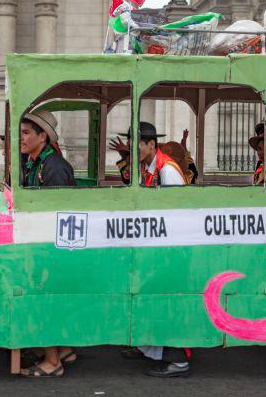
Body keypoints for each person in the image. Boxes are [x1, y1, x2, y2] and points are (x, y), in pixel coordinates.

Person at [113, 122, 191, 377]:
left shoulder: (168, 171)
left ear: (151, 145)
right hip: (151, 247)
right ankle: (148, 347)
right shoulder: (144, 168)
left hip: (168, 251)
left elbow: (178, 214)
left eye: (137, 143)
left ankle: (177, 358)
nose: (132, 148)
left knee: (167, 301)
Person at [17, 110, 77, 378]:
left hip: (52, 246)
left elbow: (58, 214)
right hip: (42, 241)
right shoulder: (32, 162)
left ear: (43, 136)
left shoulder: (54, 168)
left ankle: (53, 362)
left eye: (26, 132)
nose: (21, 138)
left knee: (43, 299)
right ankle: (64, 348)